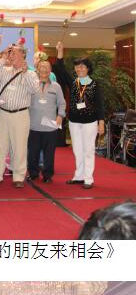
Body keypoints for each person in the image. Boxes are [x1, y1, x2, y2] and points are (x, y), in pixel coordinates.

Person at [54, 42, 105, 189]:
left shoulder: (94, 84)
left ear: (88, 69)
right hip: (74, 122)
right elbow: (60, 69)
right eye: (77, 66)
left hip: (90, 122)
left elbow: (100, 104)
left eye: (82, 66)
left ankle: (88, 179)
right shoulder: (73, 82)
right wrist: (60, 52)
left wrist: (101, 122)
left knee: (88, 150)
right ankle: (79, 176)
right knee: (77, 150)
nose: (79, 69)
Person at [0, 44, 39, 188]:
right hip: (3, 113)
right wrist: (3, 57)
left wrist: (24, 73)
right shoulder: (5, 70)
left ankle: (18, 177)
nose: (11, 56)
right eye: (10, 53)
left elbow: (34, 89)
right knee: (0, 145)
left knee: (19, 147)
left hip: (20, 114)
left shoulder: (31, 74)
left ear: (23, 55)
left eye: (14, 53)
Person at [28, 59, 66, 184]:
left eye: (46, 67)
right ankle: (33, 173)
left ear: (50, 70)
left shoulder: (56, 86)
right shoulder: (31, 85)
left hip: (50, 127)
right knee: (33, 152)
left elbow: (62, 103)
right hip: (33, 126)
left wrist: (60, 116)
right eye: (41, 67)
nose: (44, 69)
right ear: (37, 69)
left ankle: (47, 175)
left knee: (49, 153)